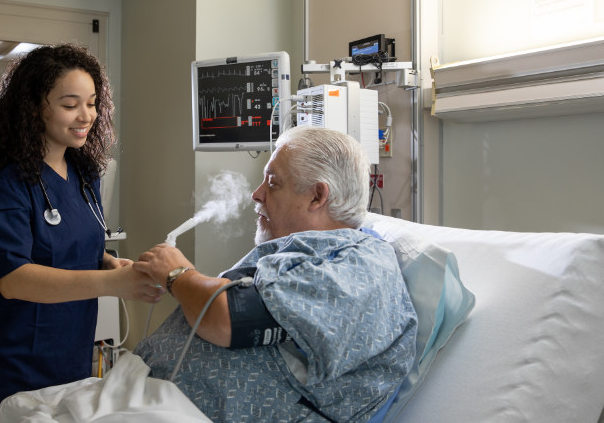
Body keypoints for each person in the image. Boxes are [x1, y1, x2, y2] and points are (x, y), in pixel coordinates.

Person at [133, 126, 417, 422]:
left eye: (273, 182)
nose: (257, 194)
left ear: (317, 196)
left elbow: (226, 318)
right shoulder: (311, 254)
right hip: (144, 398)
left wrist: (177, 273)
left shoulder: (360, 266)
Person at [0, 44, 164, 422]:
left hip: (68, 357)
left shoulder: (85, 175)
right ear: (35, 106)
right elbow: (14, 279)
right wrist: (115, 285)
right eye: (70, 104)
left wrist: (112, 264)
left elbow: (77, 245)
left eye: (93, 103)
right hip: (4, 361)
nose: (87, 116)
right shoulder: (1, 180)